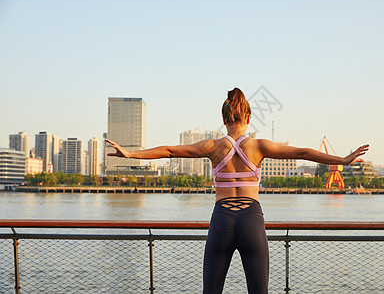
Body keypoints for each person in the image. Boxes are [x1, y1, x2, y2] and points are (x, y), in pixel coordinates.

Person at [106, 87, 369, 294]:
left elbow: (170, 150)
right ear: (248, 117)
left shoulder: (212, 146)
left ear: (223, 118)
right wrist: (343, 160)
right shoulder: (259, 146)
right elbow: (302, 152)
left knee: (210, 291)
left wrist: (129, 154)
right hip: (251, 220)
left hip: (221, 219)